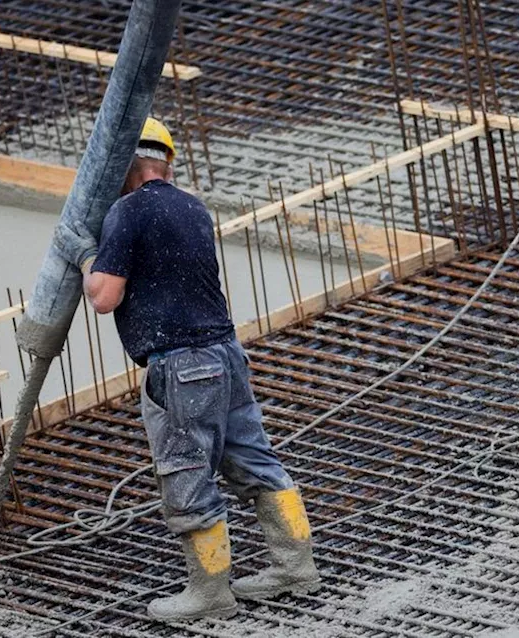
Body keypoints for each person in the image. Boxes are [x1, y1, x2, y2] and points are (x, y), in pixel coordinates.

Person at [52, 117, 321, 621]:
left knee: (187, 475)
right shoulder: (193, 207)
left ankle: (211, 594)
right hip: (225, 354)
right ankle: (295, 567)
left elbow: (105, 298)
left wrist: (87, 255)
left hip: (179, 366)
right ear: (166, 162)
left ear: (122, 168)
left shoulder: (127, 213)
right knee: (255, 460)